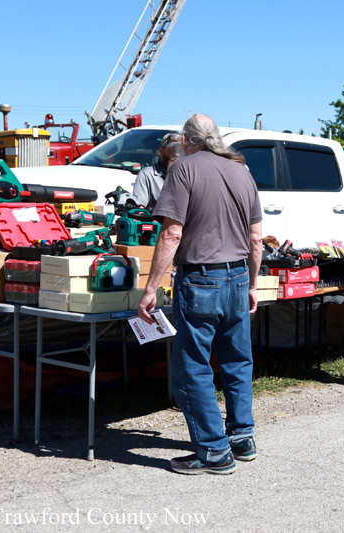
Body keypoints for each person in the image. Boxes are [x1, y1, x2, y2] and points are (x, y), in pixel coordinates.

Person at [137, 114, 263, 475]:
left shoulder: (182, 168)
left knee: (192, 368)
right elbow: (256, 238)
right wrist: (252, 284)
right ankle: (242, 437)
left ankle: (213, 452)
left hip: (201, 281)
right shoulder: (242, 171)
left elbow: (171, 234)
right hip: (238, 277)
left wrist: (150, 287)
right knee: (237, 361)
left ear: (186, 141)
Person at [132, 133, 182, 212]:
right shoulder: (148, 174)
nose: (176, 154)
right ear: (161, 151)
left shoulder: (189, 176)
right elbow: (139, 210)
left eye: (180, 150)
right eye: (172, 150)